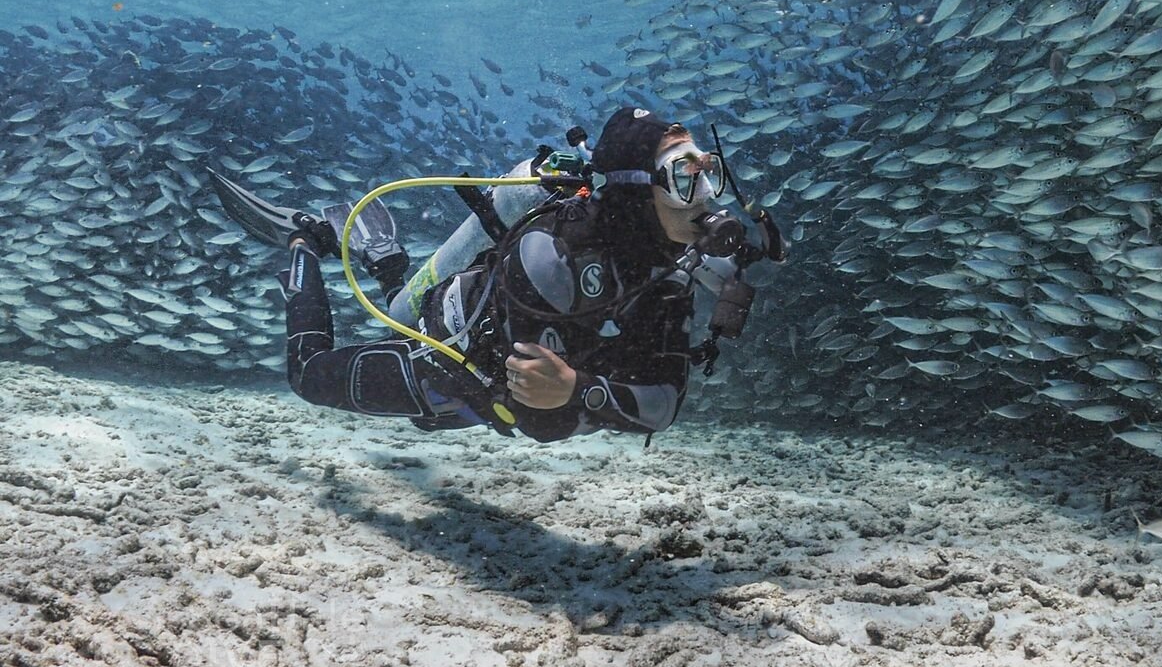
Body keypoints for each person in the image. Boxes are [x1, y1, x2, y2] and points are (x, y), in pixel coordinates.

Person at [210, 106, 763, 442]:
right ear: (636, 189)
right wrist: (580, 391)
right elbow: (535, 416)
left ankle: (385, 256)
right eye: (683, 179)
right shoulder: (553, 259)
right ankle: (304, 238)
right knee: (310, 377)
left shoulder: (670, 264)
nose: (708, 199)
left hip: (486, 375)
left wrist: (578, 389)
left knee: (402, 310)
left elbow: (661, 403)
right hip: (442, 364)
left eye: (709, 174)